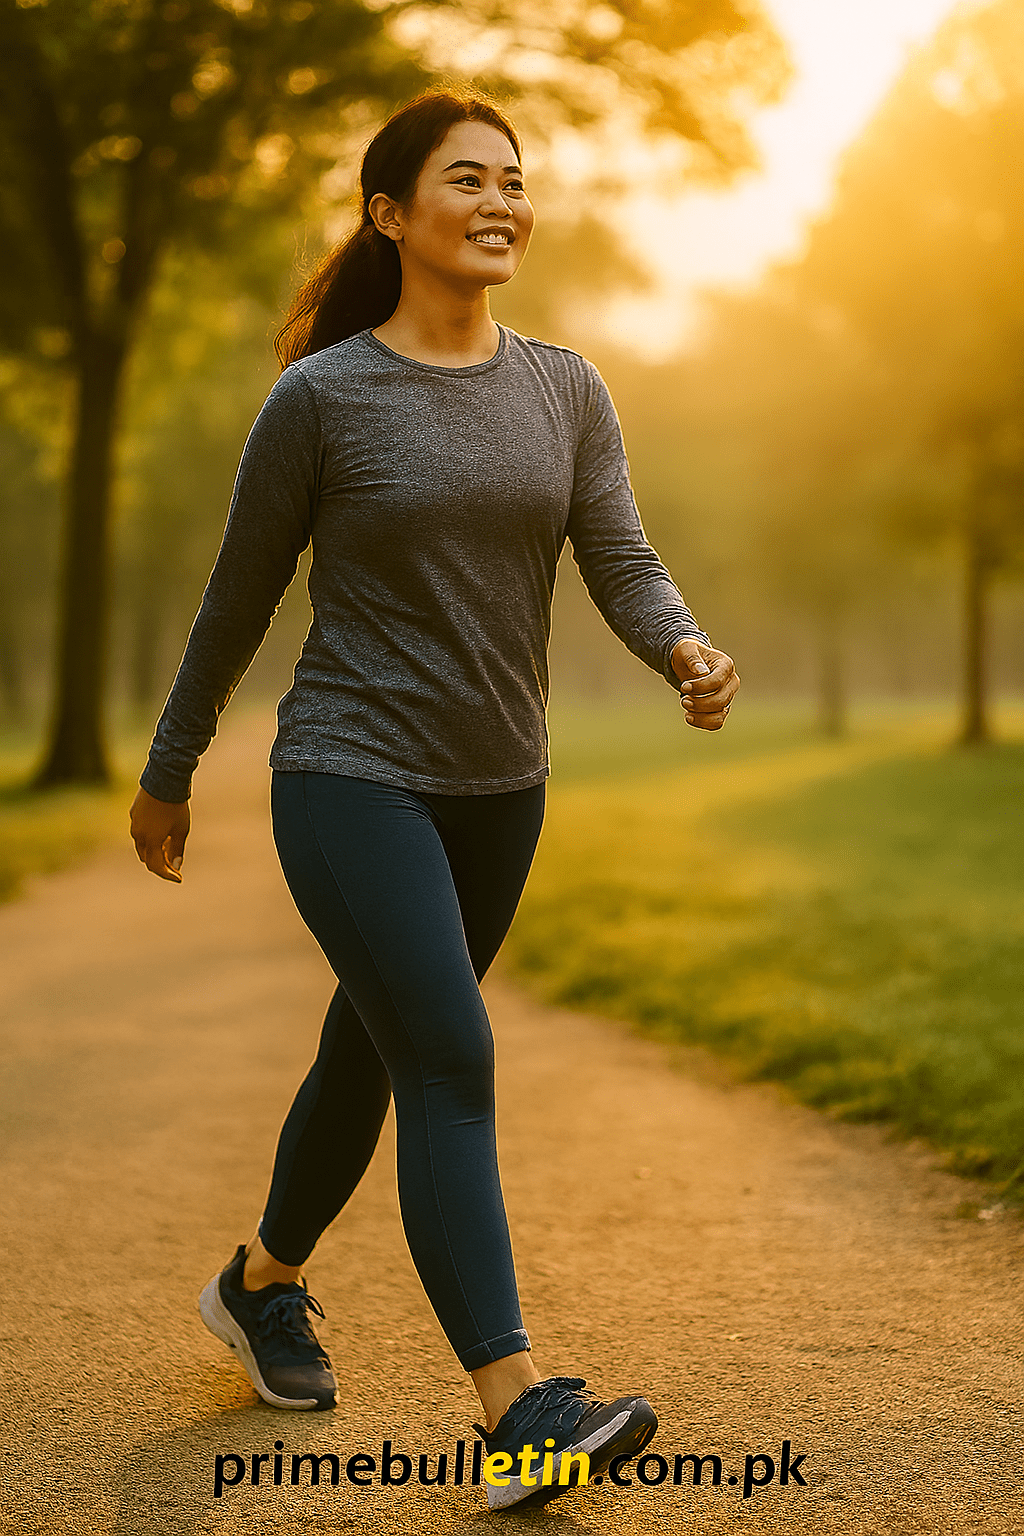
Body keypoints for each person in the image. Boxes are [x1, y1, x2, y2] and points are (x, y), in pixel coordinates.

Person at [129, 86, 739, 1511]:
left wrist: (682, 647)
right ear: (391, 213)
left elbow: (622, 558)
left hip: (498, 786)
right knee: (449, 1060)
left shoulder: (566, 387)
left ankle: (259, 1282)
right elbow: (236, 602)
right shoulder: (322, 398)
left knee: (374, 1050)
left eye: (514, 180)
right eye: (467, 179)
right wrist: (171, 766)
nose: (501, 201)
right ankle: (517, 1406)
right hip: (348, 771)